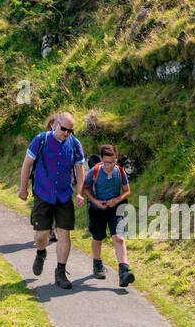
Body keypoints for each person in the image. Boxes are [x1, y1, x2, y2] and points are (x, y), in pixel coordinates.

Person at [18, 112, 86, 289]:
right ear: (56, 124)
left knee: (64, 233)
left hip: (64, 195)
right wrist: (23, 188)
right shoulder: (40, 140)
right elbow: (27, 164)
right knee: (42, 235)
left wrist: (79, 193)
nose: (66, 133)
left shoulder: (74, 144)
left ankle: (60, 272)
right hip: (43, 194)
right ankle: (41, 252)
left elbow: (79, 170)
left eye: (70, 130)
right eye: (63, 129)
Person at [84, 144, 134, 287]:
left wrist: (117, 200)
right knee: (98, 238)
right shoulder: (94, 172)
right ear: (101, 159)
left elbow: (127, 190)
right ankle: (97, 264)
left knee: (119, 238)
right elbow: (85, 189)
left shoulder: (120, 171)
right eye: (106, 162)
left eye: (112, 162)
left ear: (116, 159)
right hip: (97, 209)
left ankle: (124, 271)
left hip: (115, 209)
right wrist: (96, 202)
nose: (109, 166)